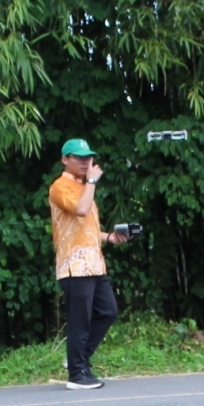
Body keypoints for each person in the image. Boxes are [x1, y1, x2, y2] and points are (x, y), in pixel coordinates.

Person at [48, 138, 131, 390]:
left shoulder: (83, 187)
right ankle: (77, 374)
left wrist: (110, 237)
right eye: (79, 158)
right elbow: (81, 210)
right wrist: (92, 182)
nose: (86, 162)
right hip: (75, 265)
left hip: (95, 264)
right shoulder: (60, 186)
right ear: (65, 160)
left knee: (108, 311)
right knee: (80, 320)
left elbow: (86, 227)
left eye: (88, 158)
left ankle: (78, 359)